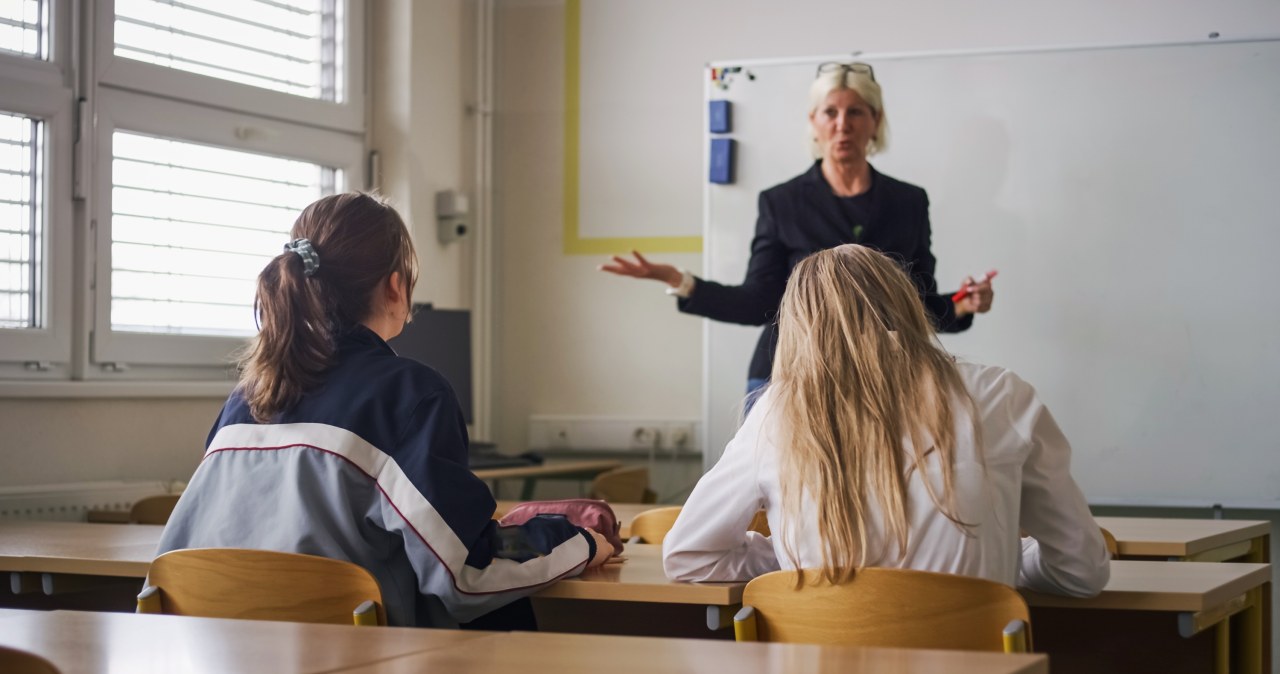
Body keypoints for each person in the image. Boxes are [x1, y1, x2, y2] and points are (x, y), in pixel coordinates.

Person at [156, 193, 613, 628]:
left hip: (220, 657)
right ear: (396, 286)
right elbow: (467, 576)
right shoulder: (410, 394)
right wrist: (583, 542)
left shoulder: (247, 397)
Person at [662, 244, 1108, 598]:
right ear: (906, 302)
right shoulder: (1002, 396)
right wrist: (1008, 561)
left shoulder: (777, 412)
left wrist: (797, 561)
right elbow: (1082, 572)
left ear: (798, 326)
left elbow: (689, 555)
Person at [601, 62, 994, 394]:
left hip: (883, 376)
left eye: (856, 112)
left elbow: (916, 303)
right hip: (789, 373)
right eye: (831, 112)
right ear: (814, 122)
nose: (843, 124)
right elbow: (759, 302)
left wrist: (964, 303)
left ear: (875, 121)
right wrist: (680, 280)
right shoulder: (781, 202)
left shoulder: (909, 201)